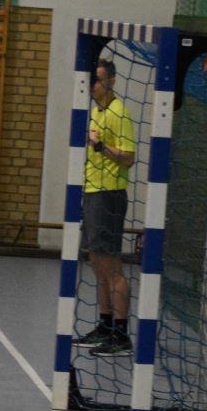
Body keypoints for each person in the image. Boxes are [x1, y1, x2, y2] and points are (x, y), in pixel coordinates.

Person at [77, 59, 136, 355]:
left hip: (109, 195)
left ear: (111, 81)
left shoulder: (118, 113)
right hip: (92, 192)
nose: (93, 85)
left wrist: (101, 147)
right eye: (92, 80)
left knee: (112, 267)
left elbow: (128, 157)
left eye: (98, 80)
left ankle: (121, 335)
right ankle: (105, 325)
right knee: (96, 263)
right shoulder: (95, 112)